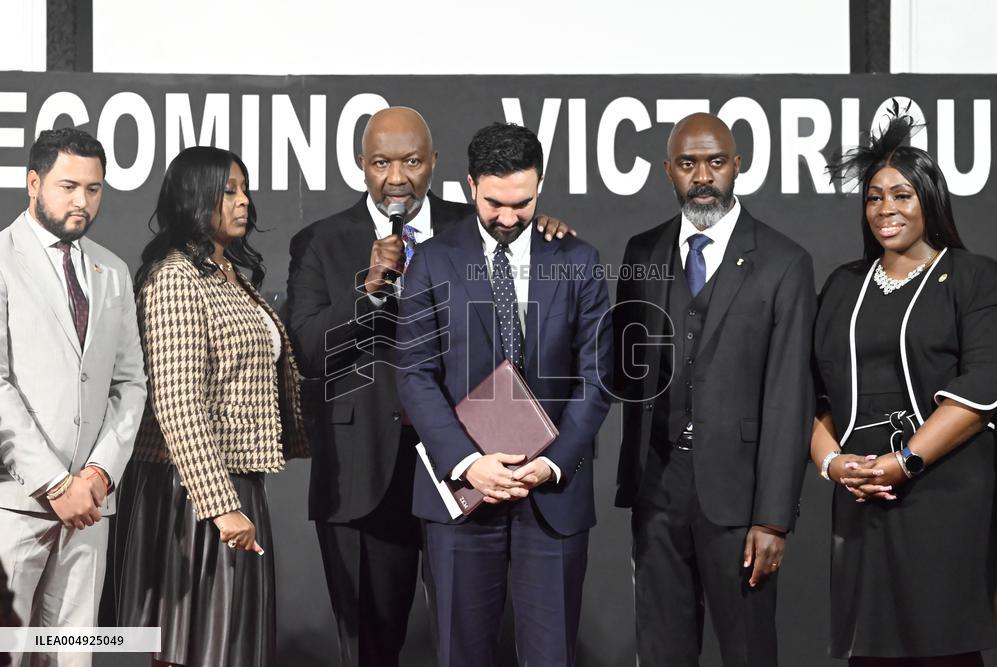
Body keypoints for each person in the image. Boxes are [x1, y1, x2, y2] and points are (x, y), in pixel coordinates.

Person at [284, 106, 574, 666]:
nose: (397, 177)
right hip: (367, 468)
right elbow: (310, 351)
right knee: (371, 647)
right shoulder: (319, 242)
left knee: (470, 639)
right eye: (381, 163)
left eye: (412, 161)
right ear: (360, 166)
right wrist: (367, 292)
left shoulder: (484, 223)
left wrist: (548, 233)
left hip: (472, 459)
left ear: (434, 163)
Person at [395, 122, 612, 666]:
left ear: (540, 186)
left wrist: (553, 464)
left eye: (525, 202)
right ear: (470, 185)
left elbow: (596, 377)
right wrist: (469, 462)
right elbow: (416, 375)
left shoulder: (578, 260)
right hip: (463, 496)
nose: (511, 217)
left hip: (553, 497)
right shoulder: (432, 260)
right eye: (495, 203)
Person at [613, 112, 815, 667]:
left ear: (737, 167)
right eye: (687, 163)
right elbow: (619, 364)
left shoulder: (784, 261)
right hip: (657, 487)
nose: (703, 175)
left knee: (747, 651)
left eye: (715, 162)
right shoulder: (642, 252)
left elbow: (788, 398)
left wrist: (773, 517)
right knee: (660, 650)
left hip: (741, 497)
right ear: (667, 172)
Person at [812, 110, 997, 666]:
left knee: (941, 649)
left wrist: (904, 462)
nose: (885, 209)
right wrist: (835, 466)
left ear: (930, 200)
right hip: (861, 495)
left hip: (943, 492)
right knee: (870, 651)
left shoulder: (972, 276)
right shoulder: (844, 285)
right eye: (873, 197)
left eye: (901, 194)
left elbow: (984, 388)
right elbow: (814, 397)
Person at [113, 146, 308, 667]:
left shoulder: (230, 275)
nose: (244, 201)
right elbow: (177, 404)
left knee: (231, 647)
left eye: (244, 189)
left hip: (235, 481)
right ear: (194, 199)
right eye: (229, 192)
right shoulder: (176, 277)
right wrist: (220, 505)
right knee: (190, 648)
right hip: (190, 493)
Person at [0, 128, 147, 667]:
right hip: (15, 503)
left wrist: (99, 475)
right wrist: (55, 482)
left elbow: (130, 383)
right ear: (33, 183)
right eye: (68, 186)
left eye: (94, 189)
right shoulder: (1, 258)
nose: (82, 202)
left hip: (90, 509)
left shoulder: (112, 271)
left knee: (72, 657)